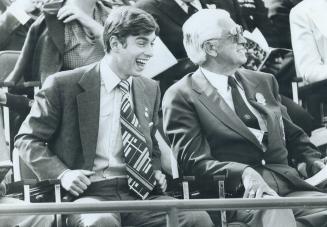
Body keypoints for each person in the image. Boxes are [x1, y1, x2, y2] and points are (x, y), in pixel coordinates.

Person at [15, 6, 213, 227]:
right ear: (116, 43)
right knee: (100, 222)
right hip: (88, 194)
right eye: (141, 43)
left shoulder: (150, 88)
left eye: (151, 44)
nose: (150, 52)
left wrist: (154, 169)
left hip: (139, 193)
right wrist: (64, 174)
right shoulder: (63, 84)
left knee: (198, 219)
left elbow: (151, 144)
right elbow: (26, 140)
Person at [162, 9, 327, 227]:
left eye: (241, 32)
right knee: (276, 212)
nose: (244, 40)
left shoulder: (264, 81)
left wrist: (313, 161)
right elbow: (194, 164)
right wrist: (244, 173)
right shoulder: (182, 95)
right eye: (234, 34)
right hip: (238, 197)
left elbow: (294, 136)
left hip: (289, 186)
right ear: (211, 47)